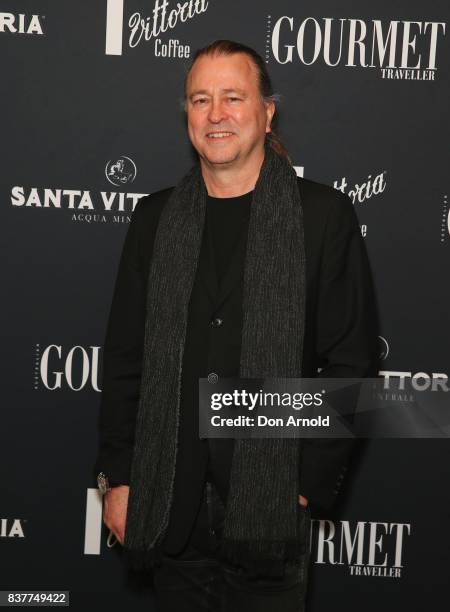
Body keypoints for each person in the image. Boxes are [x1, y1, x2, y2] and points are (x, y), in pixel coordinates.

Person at [94, 39, 379, 611]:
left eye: (232, 97)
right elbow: (127, 360)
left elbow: (352, 364)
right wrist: (118, 480)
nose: (216, 114)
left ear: (267, 111)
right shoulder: (154, 219)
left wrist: (301, 486)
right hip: (169, 504)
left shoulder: (323, 216)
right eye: (200, 100)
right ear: (187, 115)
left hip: (271, 509)